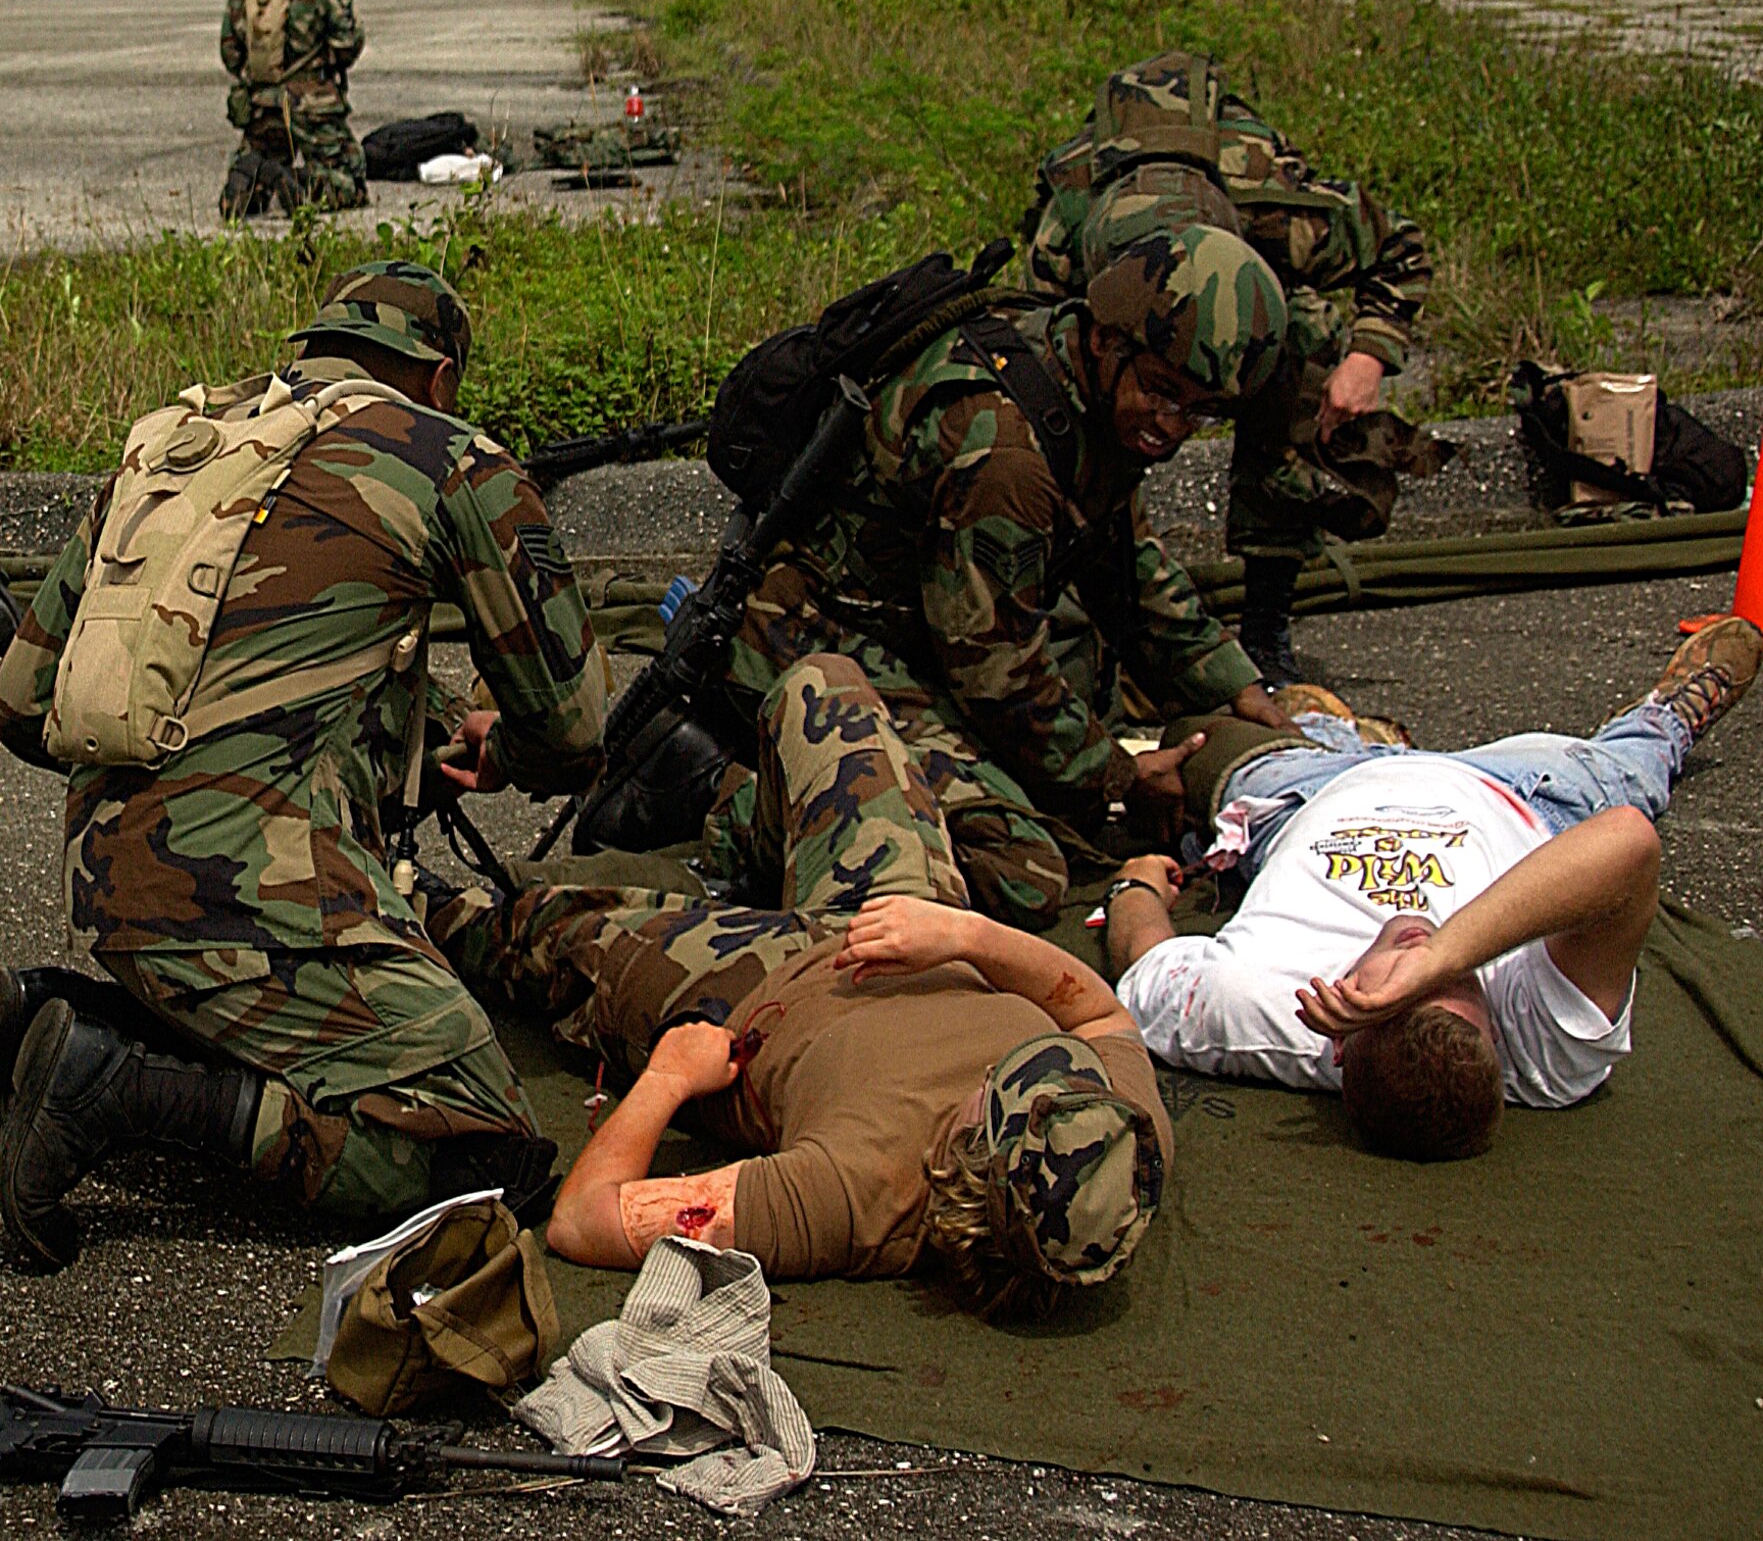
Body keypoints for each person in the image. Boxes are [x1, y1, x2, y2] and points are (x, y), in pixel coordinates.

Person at [0, 262, 607, 1269]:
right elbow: (574, 724)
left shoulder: (179, 444)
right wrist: (500, 749)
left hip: (109, 885)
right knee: (484, 1149)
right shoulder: (448, 456)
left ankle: (38, 1007)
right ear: (440, 374)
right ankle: (118, 1084)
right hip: (257, 902)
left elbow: (22, 700)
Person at [424, 650, 1171, 1317]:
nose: (1029, 1065)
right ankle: (724, 811)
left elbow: (584, 1220)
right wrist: (963, 935)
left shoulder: (850, 1200)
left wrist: (668, 1078)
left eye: (1010, 1087)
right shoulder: (1112, 1130)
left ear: (973, 1165)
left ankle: (415, 899)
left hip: (748, 994)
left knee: (534, 925)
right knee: (823, 686)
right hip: (902, 926)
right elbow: (1101, 1017)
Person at [720, 225, 1297, 930]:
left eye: (1202, 411)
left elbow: (1129, 564)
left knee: (1071, 736)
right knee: (1023, 866)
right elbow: (998, 676)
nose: (1172, 427)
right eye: (1161, 392)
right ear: (1105, 342)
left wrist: (1236, 686)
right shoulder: (1007, 455)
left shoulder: (1073, 375)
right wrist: (1118, 777)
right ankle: (722, 802)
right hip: (818, 643)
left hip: (925, 629)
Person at [1101, 617, 1763, 1160]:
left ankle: (1332, 733)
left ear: (1339, 1041)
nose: (1420, 956)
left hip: (1307, 794)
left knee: (1190, 744)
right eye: (1455, 989)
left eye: (1402, 990)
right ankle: (1666, 717)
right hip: (1519, 792)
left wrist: (1134, 887)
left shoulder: (1250, 1014)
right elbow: (1625, 843)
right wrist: (1443, 957)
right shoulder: (1546, 1055)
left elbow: (1146, 963)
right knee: (1631, 777)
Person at [1026, 49, 1440, 684]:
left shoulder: (1279, 216)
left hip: (1255, 272)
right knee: (1062, 411)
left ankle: (1268, 615)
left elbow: (1400, 249)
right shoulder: (1065, 242)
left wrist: (1368, 357)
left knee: (1305, 335)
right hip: (1101, 321)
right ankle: (1088, 600)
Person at [219, 0, 368, 218]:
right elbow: (347, 47)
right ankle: (301, 186)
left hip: (259, 108)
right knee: (350, 183)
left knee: (257, 155)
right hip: (312, 108)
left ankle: (250, 181)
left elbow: (230, 53)